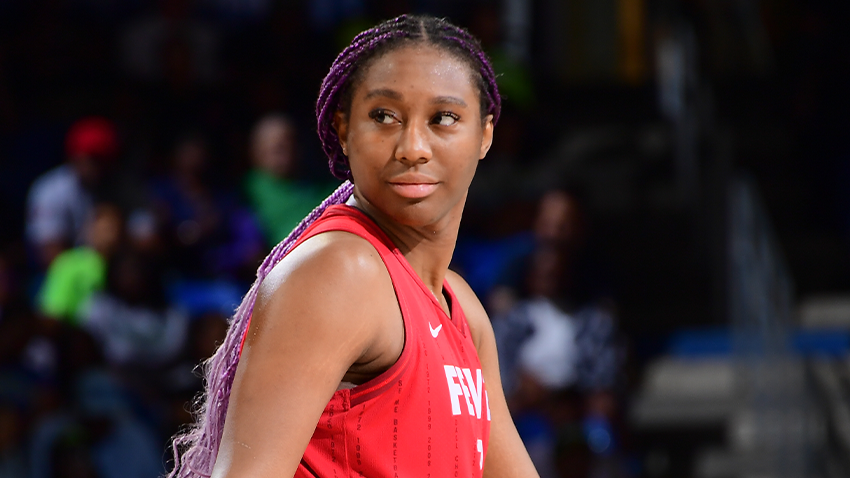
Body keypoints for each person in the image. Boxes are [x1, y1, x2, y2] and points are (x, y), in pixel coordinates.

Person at [168, 14, 539, 478]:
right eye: (384, 116)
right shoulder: (339, 271)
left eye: (443, 118)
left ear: (485, 135)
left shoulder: (463, 309)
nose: (413, 148)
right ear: (343, 130)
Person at [26, 117, 119, 267]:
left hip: (108, 268)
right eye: (92, 158)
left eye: (102, 160)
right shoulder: (50, 190)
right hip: (55, 273)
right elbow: (50, 256)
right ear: (74, 156)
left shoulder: (118, 186)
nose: (96, 167)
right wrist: (92, 253)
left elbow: (146, 238)